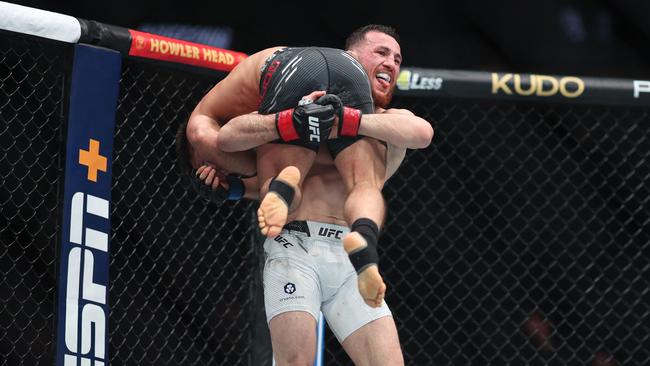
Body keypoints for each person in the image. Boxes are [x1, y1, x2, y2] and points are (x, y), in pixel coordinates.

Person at [176, 25, 432, 365]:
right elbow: (227, 136)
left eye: (397, 58)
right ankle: (343, 224)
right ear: (351, 59)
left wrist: (346, 119)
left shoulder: (386, 120)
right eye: (381, 53)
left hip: (345, 256)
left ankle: (290, 186)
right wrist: (234, 182)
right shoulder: (308, 102)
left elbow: (421, 132)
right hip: (296, 246)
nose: (392, 63)